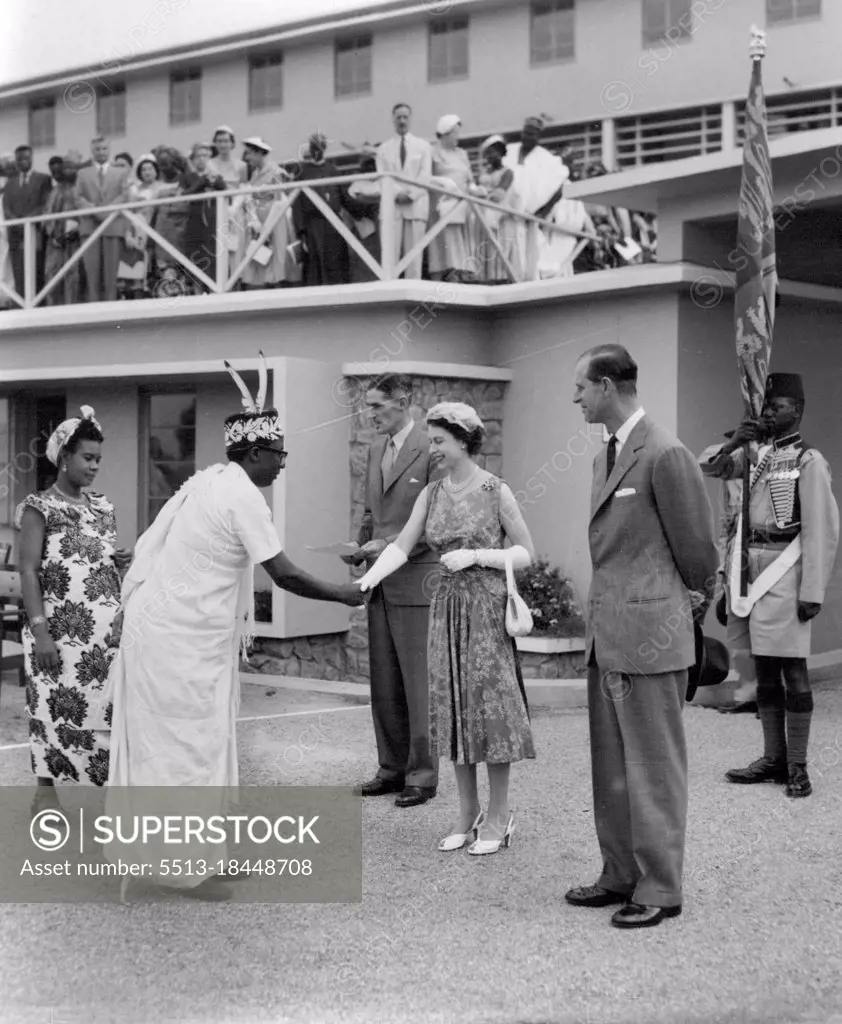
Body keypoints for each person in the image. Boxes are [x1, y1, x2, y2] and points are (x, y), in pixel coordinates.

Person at [105, 354, 361, 900]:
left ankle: (190, 858)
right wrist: (345, 593)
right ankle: (181, 870)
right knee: (186, 752)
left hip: (169, 638)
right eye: (278, 454)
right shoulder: (241, 494)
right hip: (176, 643)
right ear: (252, 452)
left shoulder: (212, 480)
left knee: (184, 750)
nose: (283, 464)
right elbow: (285, 575)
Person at [566, 343, 718, 929]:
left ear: (606, 386)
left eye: (580, 386)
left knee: (653, 765)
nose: (574, 397)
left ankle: (660, 887)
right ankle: (619, 872)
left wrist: (685, 613)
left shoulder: (665, 452)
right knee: (611, 763)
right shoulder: (607, 452)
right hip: (608, 635)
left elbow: (698, 552)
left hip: (652, 633)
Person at [357, 402, 536, 853]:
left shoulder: (497, 490)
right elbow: (401, 545)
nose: (431, 448)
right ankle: (466, 813)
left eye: (438, 440)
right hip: (447, 611)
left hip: (488, 612)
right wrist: (367, 579)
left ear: (463, 440)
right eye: (431, 440)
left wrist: (479, 557)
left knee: (490, 714)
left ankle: (498, 818)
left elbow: (525, 553)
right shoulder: (432, 493)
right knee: (454, 710)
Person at [699, 373, 839, 798]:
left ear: (796, 409)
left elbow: (823, 530)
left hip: (786, 572)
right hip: (751, 574)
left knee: (793, 669)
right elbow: (710, 467)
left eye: (776, 407)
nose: (769, 414)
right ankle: (773, 759)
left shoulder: (808, 461)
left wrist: (812, 591)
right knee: (763, 670)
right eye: (765, 407)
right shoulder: (753, 455)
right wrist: (734, 442)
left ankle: (798, 766)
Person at [15, 407, 132, 815]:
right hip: (57, 632)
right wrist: (40, 630)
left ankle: (111, 796)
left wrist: (121, 562)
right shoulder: (38, 507)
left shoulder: (103, 506)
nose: (95, 466)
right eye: (87, 457)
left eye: (99, 458)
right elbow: (28, 569)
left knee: (106, 709)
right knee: (49, 705)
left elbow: (96, 562)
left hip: (103, 632)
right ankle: (45, 792)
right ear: (64, 456)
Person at [343, 374, 440, 807]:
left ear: (402, 402)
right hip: (379, 579)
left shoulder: (431, 448)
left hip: (417, 580)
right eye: (368, 406)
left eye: (377, 406)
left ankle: (422, 775)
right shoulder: (376, 448)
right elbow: (370, 512)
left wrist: (386, 545)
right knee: (383, 681)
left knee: (418, 684)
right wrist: (357, 548)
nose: (370, 414)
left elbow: (436, 520)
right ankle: (391, 768)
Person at [375, 103, 432, 280]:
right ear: (393, 119)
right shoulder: (383, 149)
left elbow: (425, 175)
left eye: (405, 117)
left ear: (410, 118)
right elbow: (382, 176)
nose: (402, 121)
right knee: (390, 257)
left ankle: (413, 294)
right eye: (398, 117)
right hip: (393, 207)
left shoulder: (423, 146)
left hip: (415, 205)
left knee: (414, 258)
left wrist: (411, 194)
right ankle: (390, 294)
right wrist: (397, 194)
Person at [239, 137, 300, 290]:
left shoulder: (273, 170)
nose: (247, 158)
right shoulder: (255, 173)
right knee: (262, 257)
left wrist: (268, 223)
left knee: (278, 257)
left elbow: (280, 197)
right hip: (258, 219)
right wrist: (254, 220)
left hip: (274, 219)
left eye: (250, 153)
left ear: (260, 153)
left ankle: (281, 288)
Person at [75, 137, 130, 302]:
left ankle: (111, 307)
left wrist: (107, 212)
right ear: (92, 151)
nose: (101, 152)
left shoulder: (120, 172)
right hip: (90, 226)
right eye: (98, 149)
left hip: (112, 225)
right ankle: (94, 308)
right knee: (92, 273)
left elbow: (125, 195)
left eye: (104, 148)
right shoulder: (83, 173)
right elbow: (78, 197)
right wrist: (94, 210)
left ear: (109, 150)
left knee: (111, 274)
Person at [292, 133, 348, 286]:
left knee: (335, 268)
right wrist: (301, 231)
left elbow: (346, 198)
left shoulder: (333, 170)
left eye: (319, 146)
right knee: (314, 270)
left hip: (334, 226)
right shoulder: (302, 172)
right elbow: (296, 203)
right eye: (313, 146)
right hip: (312, 227)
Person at [2, 144, 52, 299]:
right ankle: (21, 305)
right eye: (19, 159)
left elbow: (44, 205)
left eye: (26, 158)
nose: (23, 161)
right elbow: (6, 206)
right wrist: (17, 222)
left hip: (34, 232)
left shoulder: (43, 179)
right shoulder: (10, 183)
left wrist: (27, 222)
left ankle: (38, 306)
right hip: (16, 234)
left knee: (36, 270)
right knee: (19, 271)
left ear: (31, 158)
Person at [428, 114, 473, 282]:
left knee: (459, 247)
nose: (457, 137)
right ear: (445, 133)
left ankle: (461, 279)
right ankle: (438, 282)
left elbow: (470, 180)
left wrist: (475, 189)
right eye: (455, 133)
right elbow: (425, 176)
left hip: (462, 206)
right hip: (440, 206)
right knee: (440, 249)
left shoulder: (462, 153)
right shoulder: (432, 152)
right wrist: (443, 182)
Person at [476, 135, 525, 284]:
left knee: (502, 248)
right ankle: (486, 278)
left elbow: (499, 194)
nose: (490, 156)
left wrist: (484, 194)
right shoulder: (484, 174)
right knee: (486, 248)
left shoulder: (507, 173)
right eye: (488, 153)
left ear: (501, 153)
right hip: (486, 216)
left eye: (493, 152)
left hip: (503, 217)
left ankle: (501, 278)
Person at [180, 142, 226, 290]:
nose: (202, 159)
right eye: (198, 156)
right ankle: (196, 291)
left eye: (205, 155)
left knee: (213, 256)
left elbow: (227, 195)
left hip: (213, 221)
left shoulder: (216, 175)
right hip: (195, 220)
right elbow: (182, 197)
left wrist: (217, 183)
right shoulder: (187, 177)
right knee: (195, 257)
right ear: (192, 159)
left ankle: (215, 289)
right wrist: (200, 183)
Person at [42, 155, 83, 306]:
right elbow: (47, 214)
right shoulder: (55, 191)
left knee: (73, 274)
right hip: (55, 240)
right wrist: (52, 234)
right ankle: (52, 307)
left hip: (76, 239)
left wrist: (77, 231)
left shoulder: (81, 189)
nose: (68, 171)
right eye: (66, 168)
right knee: (51, 273)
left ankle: (72, 306)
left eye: (72, 168)